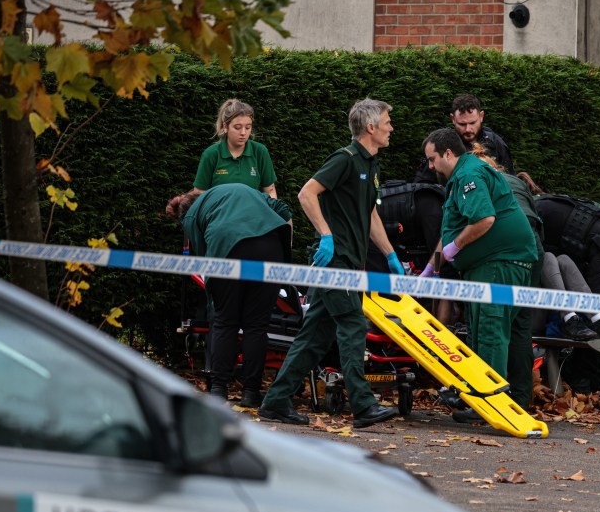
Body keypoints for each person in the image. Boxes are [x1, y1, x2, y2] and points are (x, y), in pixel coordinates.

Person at [258, 98, 406, 427]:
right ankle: (364, 405)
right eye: (386, 122)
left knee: (314, 337)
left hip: (351, 262)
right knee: (353, 325)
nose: (391, 128)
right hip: (335, 262)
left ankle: (276, 401)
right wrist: (325, 234)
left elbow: (369, 214)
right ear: (370, 128)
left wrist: (389, 254)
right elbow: (306, 193)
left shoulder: (371, 164)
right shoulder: (345, 159)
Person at [423, 128, 538, 421]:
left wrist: (453, 250)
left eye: (432, 159)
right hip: (491, 263)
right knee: (479, 331)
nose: (430, 166)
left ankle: (490, 404)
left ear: (448, 153)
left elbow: (484, 219)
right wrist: (433, 267)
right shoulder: (462, 175)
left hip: (499, 263)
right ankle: (477, 396)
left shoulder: (467, 175)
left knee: (490, 332)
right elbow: (452, 230)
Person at [166, 184, 292, 408]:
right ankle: (251, 393)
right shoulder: (240, 189)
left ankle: (218, 390)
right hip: (269, 247)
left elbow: (204, 255)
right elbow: (283, 210)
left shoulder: (191, 214)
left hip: (226, 250)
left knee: (225, 322)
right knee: (257, 326)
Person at [534, 193, 600, 340]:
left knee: (563, 259)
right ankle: (569, 318)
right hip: (537, 314)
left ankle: (597, 320)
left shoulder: (538, 209)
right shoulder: (543, 207)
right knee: (547, 257)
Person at [414, 94, 515, 181]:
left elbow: (511, 179)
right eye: (462, 124)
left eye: (472, 123)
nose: (467, 129)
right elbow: (424, 184)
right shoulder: (442, 143)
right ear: (452, 119)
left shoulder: (495, 142)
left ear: (481, 116)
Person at [192, 98, 278, 198]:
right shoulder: (211, 154)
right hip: (220, 213)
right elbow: (199, 193)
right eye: (237, 127)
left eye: (248, 127)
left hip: (252, 213)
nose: (243, 133)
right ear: (225, 126)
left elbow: (270, 192)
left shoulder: (260, 151)